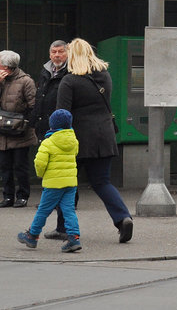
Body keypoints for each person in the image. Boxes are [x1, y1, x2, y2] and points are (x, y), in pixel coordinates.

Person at [56, 38, 133, 243]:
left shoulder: (69, 81)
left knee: (66, 183)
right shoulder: (104, 76)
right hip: (105, 136)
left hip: (78, 139)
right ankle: (123, 218)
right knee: (102, 182)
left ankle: (63, 228)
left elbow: (62, 114)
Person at [18, 108, 81, 252]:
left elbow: (39, 163)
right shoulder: (74, 141)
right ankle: (74, 238)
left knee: (43, 210)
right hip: (70, 183)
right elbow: (75, 154)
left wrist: (41, 174)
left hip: (53, 184)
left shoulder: (48, 142)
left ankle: (32, 236)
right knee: (69, 211)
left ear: (52, 125)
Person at [33, 39, 69, 239]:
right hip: (43, 125)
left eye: (60, 52)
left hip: (59, 127)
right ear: (49, 54)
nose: (57, 55)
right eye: (54, 52)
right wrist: (34, 122)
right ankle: (55, 204)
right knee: (46, 166)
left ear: (67, 54)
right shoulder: (46, 71)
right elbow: (40, 96)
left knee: (58, 169)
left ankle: (59, 213)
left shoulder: (69, 72)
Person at [0, 50, 38, 208]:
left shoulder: (26, 81)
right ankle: (7, 196)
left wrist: (24, 123)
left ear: (8, 67)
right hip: (2, 131)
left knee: (20, 166)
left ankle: (22, 195)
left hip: (20, 131)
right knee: (4, 166)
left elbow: (33, 105)